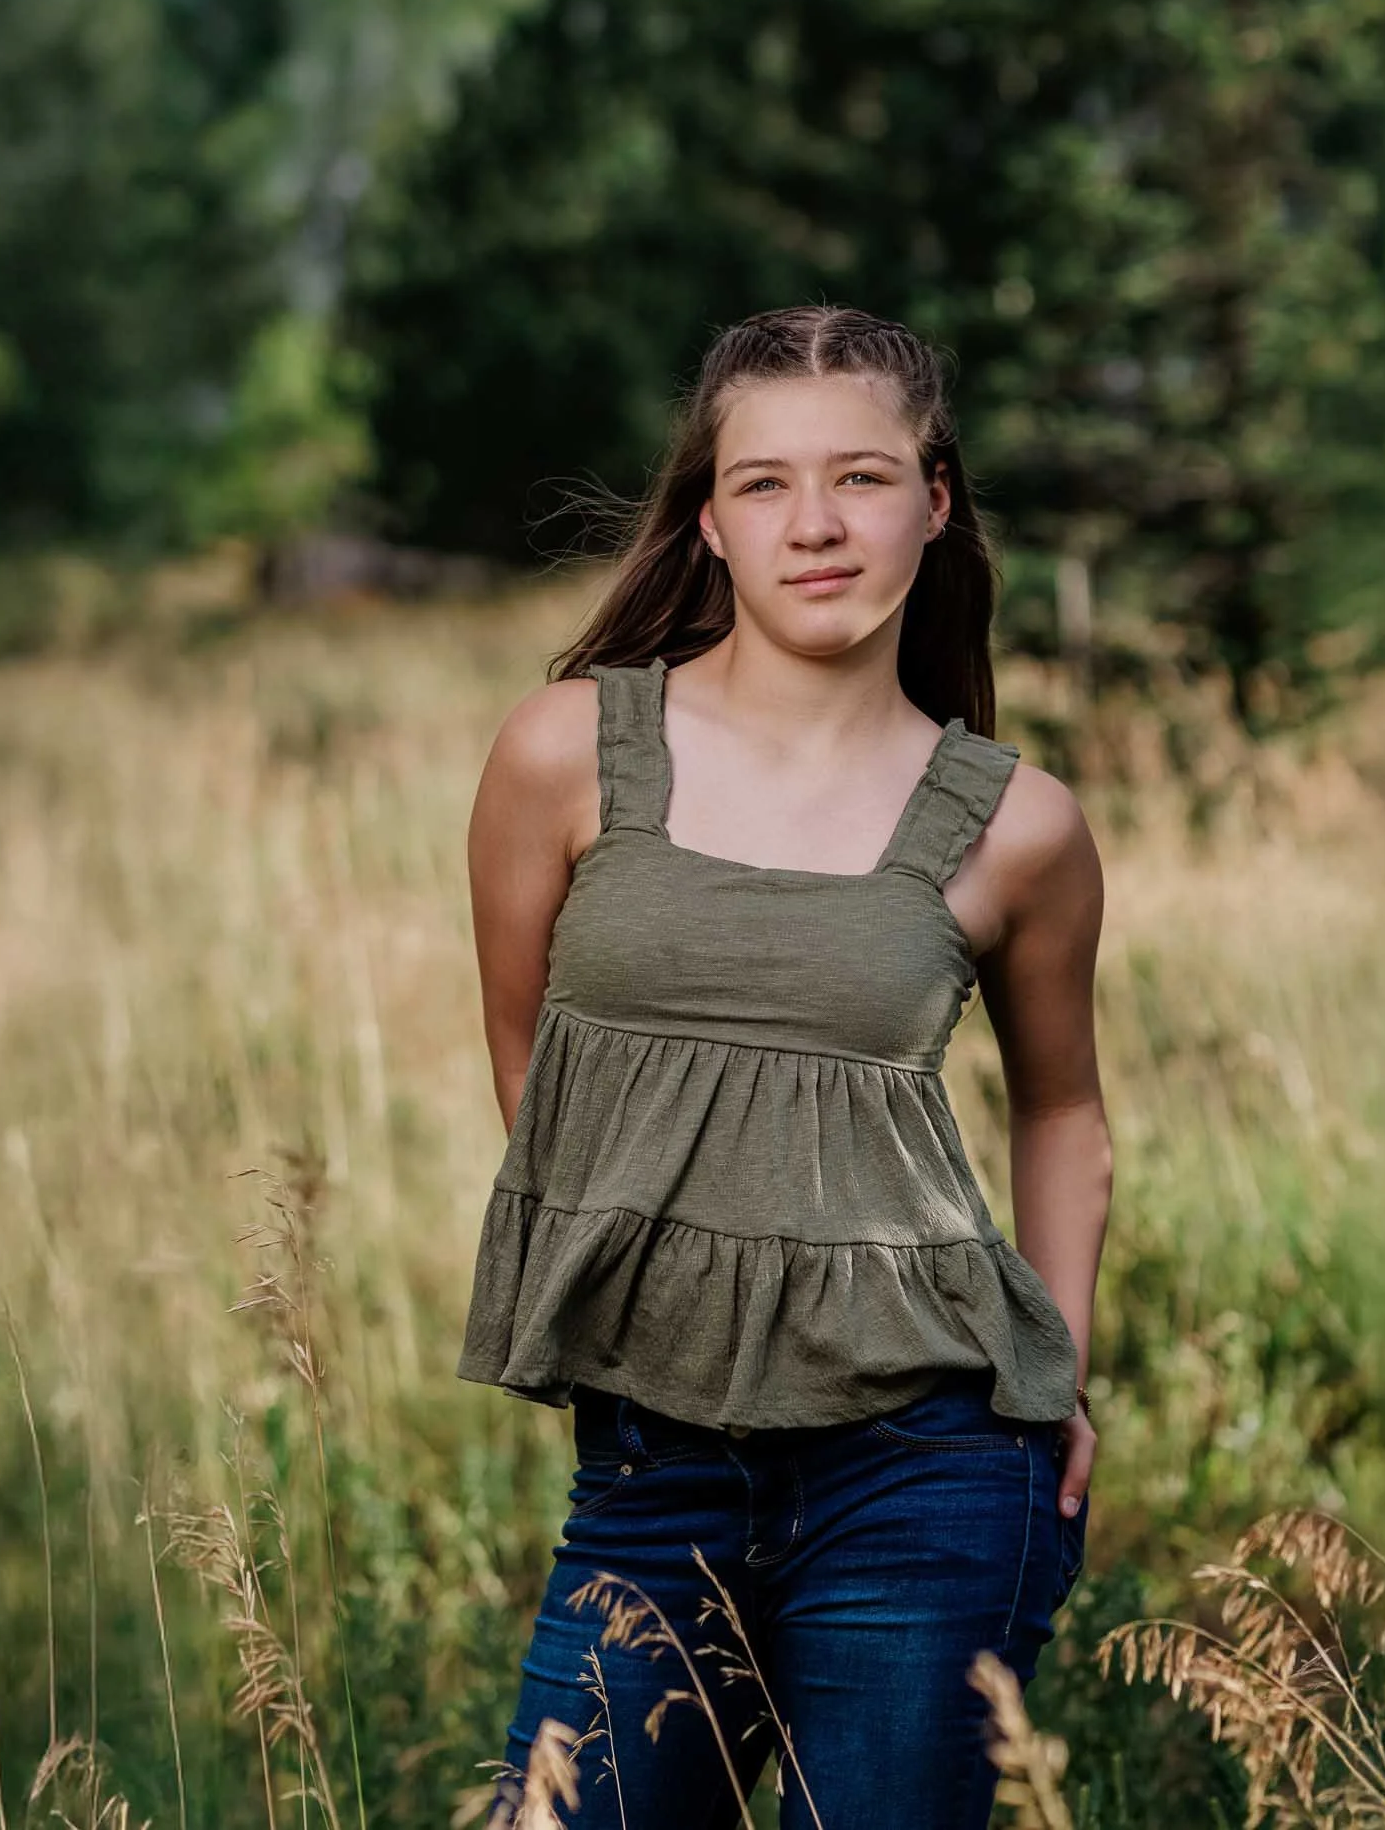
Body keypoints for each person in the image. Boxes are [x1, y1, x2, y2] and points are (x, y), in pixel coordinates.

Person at [458, 304, 1112, 1829]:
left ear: (935, 502)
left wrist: (1063, 1363)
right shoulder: (565, 753)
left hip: (930, 1465)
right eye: (766, 485)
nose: (817, 526)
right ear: (710, 518)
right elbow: (527, 1054)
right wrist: (650, 1276)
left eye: (864, 479)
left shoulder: (1018, 825)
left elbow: (1066, 1110)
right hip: (650, 1472)